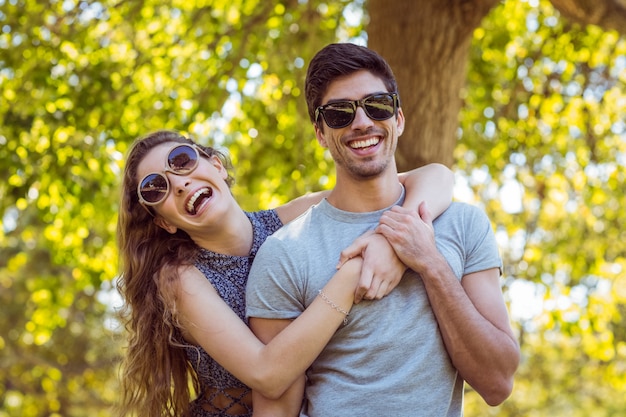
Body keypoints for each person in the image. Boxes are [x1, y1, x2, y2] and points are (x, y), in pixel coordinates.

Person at [245, 43, 521, 417]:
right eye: (340, 113)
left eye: (377, 105)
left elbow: (497, 383)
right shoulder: (284, 252)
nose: (361, 122)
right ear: (320, 134)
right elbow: (275, 403)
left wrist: (429, 262)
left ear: (399, 119)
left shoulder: (463, 224)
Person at [115, 129, 454, 417]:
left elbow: (434, 176)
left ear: (216, 166)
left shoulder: (291, 222)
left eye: (182, 161)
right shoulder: (180, 279)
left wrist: (391, 239)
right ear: (164, 222)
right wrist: (352, 275)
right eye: (155, 188)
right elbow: (267, 374)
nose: (178, 183)